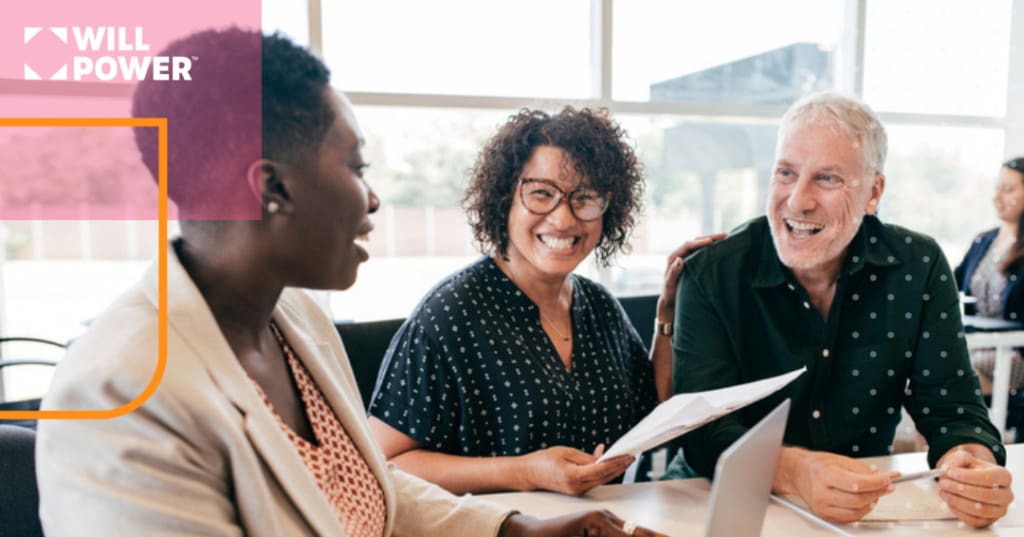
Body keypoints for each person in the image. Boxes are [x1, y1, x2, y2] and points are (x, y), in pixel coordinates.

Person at [34, 29, 665, 537]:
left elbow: (375, 489)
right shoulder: (121, 389)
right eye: (354, 166)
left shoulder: (297, 321)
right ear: (273, 187)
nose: (372, 198)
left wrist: (517, 529)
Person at [669, 91, 1013, 528]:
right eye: (785, 173)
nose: (797, 200)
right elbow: (703, 431)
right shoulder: (713, 273)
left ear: (873, 192)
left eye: (827, 179)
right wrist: (796, 471)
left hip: (860, 510)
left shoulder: (918, 266)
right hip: (716, 501)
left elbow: (953, 411)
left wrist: (971, 465)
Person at [368, 107, 722, 496]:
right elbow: (385, 463)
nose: (564, 219)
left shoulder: (598, 306)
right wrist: (524, 472)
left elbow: (653, 408)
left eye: (585, 198)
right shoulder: (450, 315)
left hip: (598, 523)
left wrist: (668, 313)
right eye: (542, 194)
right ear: (504, 200)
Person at [954, 157, 1024, 395]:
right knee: (926, 372)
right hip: (978, 344)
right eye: (997, 189)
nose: (997, 198)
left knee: (949, 381)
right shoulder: (984, 241)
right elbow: (948, 284)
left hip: (1014, 352)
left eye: (1008, 190)